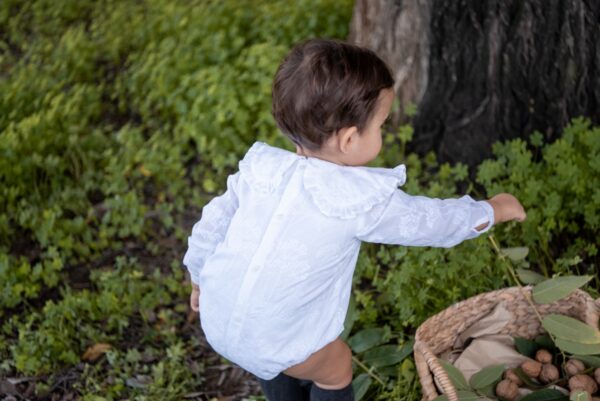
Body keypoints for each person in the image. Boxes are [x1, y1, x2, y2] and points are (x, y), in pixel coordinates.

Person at [183, 38, 526, 401]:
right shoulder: (356, 201)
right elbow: (428, 221)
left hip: (218, 314)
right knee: (337, 365)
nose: (383, 131)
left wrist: (198, 277)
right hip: (273, 334)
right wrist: (492, 209)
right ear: (349, 139)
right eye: (381, 125)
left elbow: (212, 222)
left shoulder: (262, 171)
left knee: (271, 353)